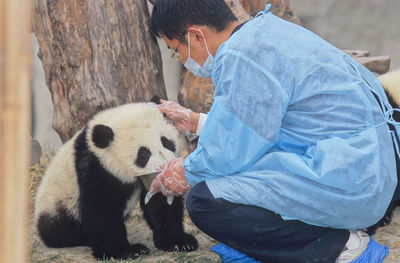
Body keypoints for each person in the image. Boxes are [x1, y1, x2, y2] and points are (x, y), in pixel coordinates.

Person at [146, 0, 400, 262]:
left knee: (206, 200)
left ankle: (341, 246)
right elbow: (268, 123)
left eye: (176, 52)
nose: (183, 61)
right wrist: (198, 122)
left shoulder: (243, 55)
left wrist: (184, 172)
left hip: (353, 183)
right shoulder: (267, 33)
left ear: (196, 35)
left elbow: (229, 153)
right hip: (369, 169)